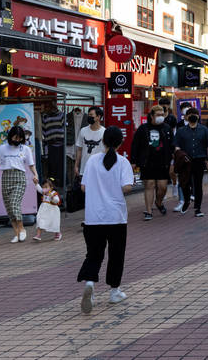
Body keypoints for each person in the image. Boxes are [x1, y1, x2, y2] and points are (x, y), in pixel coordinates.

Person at [77, 126, 134, 314]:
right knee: (116, 255)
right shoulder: (123, 162)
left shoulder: (92, 161)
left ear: (103, 141)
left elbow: (83, 188)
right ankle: (114, 292)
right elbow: (127, 187)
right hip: (116, 217)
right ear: (120, 143)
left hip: (93, 217)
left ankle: (90, 283)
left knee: (94, 254)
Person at [0, 126, 39, 243]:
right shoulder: (3, 148)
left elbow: (31, 164)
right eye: (15, 137)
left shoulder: (25, 149)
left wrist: (36, 175)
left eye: (20, 138)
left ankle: (22, 229)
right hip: (6, 178)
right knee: (9, 208)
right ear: (10, 136)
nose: (17, 140)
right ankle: (17, 233)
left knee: (14, 203)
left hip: (19, 178)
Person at [130, 105, 173, 221]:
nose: (160, 117)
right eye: (158, 115)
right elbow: (135, 145)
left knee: (162, 187)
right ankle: (148, 211)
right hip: (147, 162)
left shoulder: (167, 128)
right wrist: (133, 161)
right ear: (152, 116)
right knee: (149, 185)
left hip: (163, 162)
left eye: (162, 115)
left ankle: (158, 202)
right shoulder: (143, 129)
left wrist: (172, 161)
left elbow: (172, 145)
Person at [173, 107, 208, 217]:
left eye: (195, 114)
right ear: (186, 117)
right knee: (184, 183)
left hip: (199, 160)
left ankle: (198, 208)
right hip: (185, 161)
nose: (192, 116)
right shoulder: (181, 131)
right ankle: (186, 200)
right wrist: (179, 155)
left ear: (198, 116)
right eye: (190, 114)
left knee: (198, 185)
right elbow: (176, 146)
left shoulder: (205, 130)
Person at [74, 106, 105, 178]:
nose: (89, 117)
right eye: (88, 115)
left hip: (99, 170)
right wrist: (76, 166)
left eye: (91, 115)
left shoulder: (104, 132)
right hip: (84, 169)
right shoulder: (83, 130)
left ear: (98, 117)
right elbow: (79, 150)